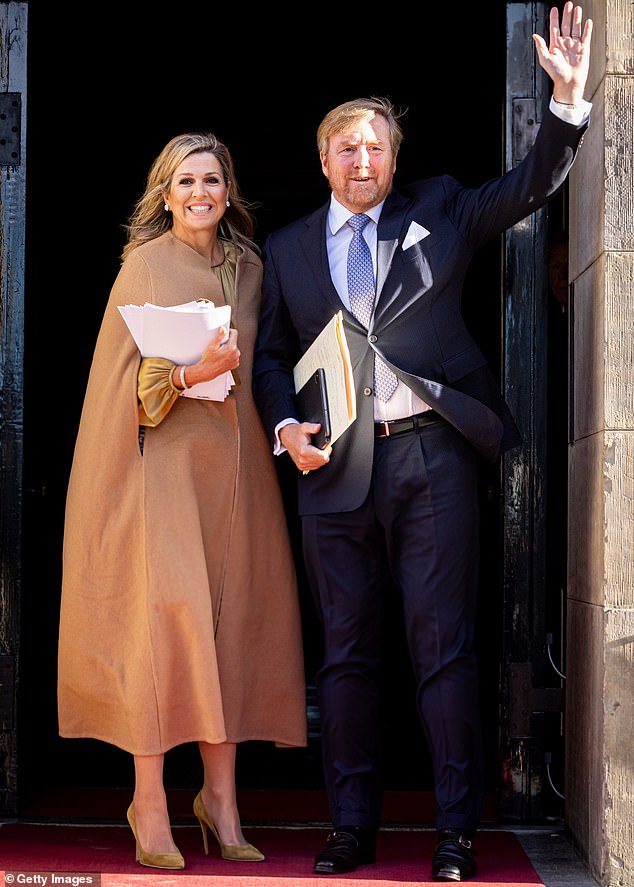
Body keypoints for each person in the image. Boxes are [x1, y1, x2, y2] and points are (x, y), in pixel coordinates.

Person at [252, 4, 592, 882]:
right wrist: (284, 426)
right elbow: (269, 359)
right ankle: (350, 829)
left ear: (393, 160)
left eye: (375, 147)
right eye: (346, 147)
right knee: (348, 656)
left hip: (430, 459)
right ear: (324, 158)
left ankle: (453, 831)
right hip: (330, 471)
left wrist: (564, 104)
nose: (362, 160)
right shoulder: (287, 249)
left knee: (444, 651)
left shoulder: (440, 209)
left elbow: (528, 187)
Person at [57, 132, 307, 871]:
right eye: (185, 181)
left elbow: (272, 364)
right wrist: (187, 370)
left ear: (229, 191)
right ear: (164, 193)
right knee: (163, 633)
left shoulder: (253, 268)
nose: (200, 192)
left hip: (235, 477)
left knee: (230, 629)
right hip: (160, 474)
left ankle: (222, 800)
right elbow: (117, 386)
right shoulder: (143, 266)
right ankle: (151, 802)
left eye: (212, 180)